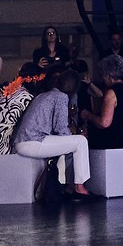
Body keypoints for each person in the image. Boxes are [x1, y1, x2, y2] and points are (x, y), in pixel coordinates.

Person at [12, 63, 91, 199]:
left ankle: (73, 186)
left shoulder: (43, 95)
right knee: (81, 141)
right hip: (33, 142)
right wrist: (75, 135)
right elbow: (61, 130)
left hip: (25, 141)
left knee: (76, 142)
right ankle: (79, 187)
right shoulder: (61, 97)